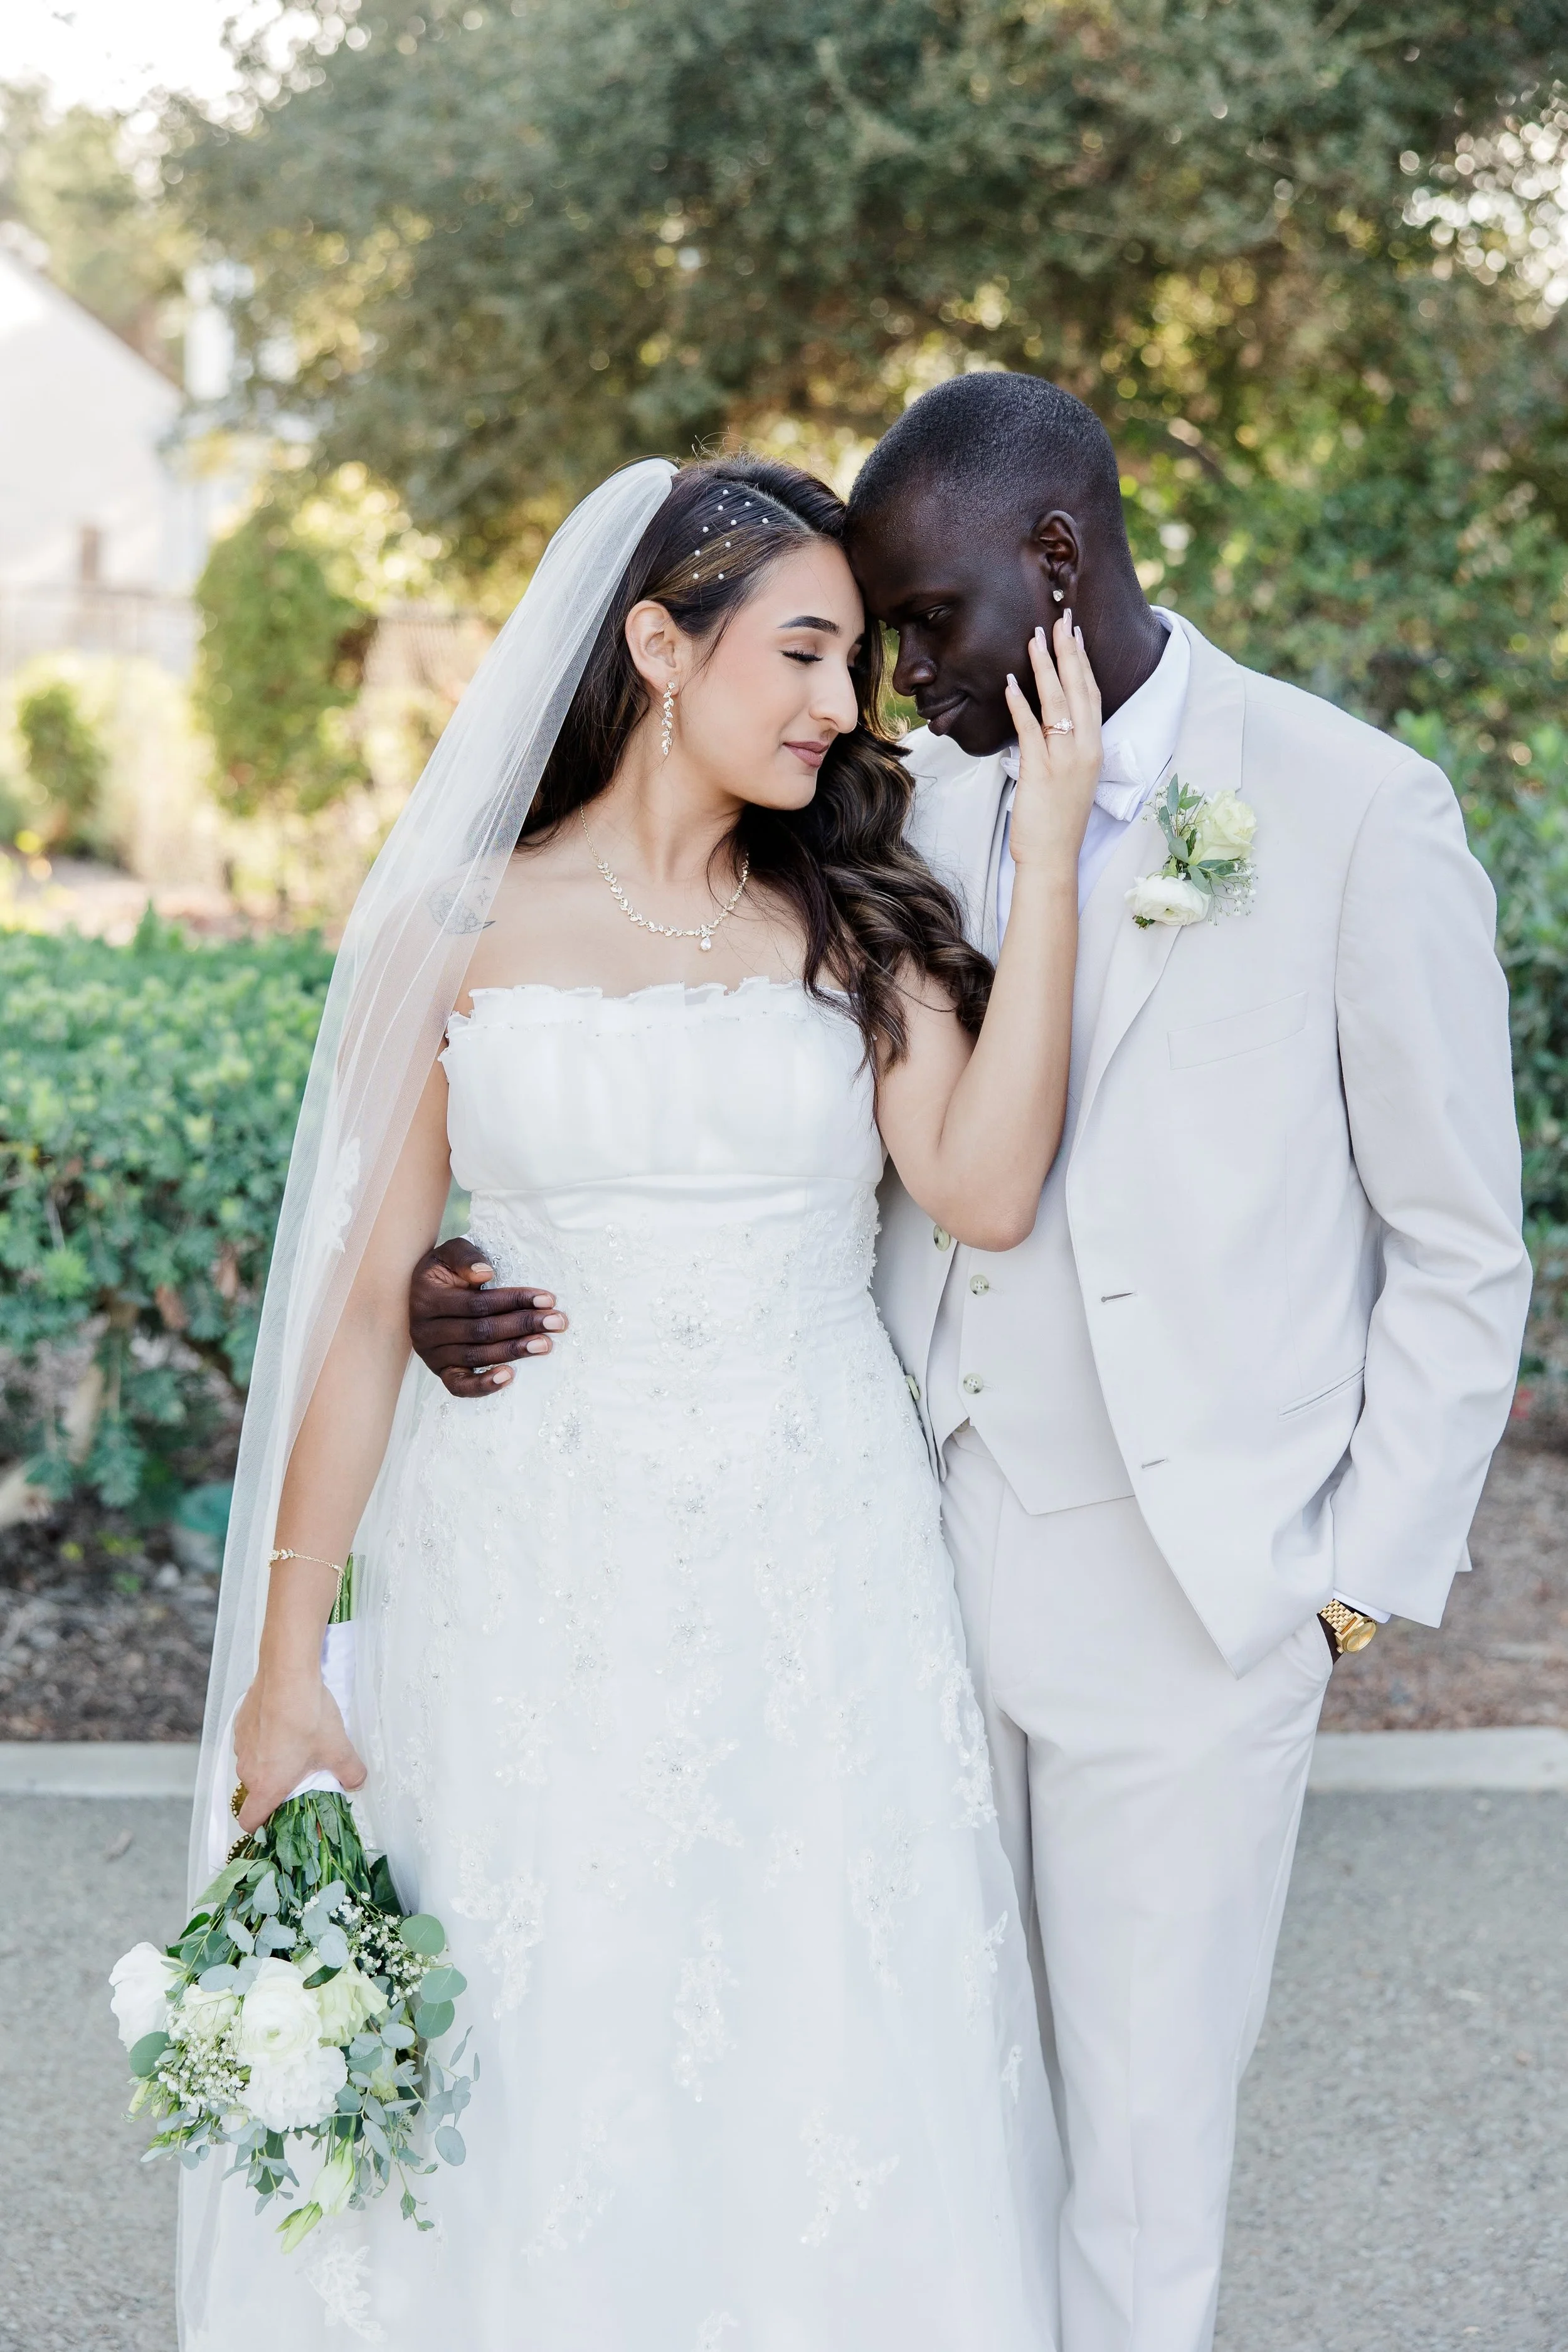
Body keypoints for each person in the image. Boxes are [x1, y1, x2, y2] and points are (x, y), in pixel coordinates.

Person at [411, 378, 1532, 2352]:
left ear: (1056, 559)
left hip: (1199, 1600)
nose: (890, 683)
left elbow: (1457, 1248)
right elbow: (711, 1105)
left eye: (920, 627)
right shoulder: (894, 806)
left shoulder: (1355, 806)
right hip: (883, 1574)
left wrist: (1345, 1586)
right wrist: (457, 1272)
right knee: (917, 2131)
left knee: (1139, 2166)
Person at [191, 453, 1106, 2349]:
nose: (836, 705)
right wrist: (292, 1662)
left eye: (851, 659)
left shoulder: (850, 917)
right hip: (525, 1551)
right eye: (797, 650)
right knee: (546, 1997)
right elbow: (365, 1318)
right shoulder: (454, 927)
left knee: (814, 2005)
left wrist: (1057, 848)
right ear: (653, 645)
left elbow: (984, 1184)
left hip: (814, 1553)